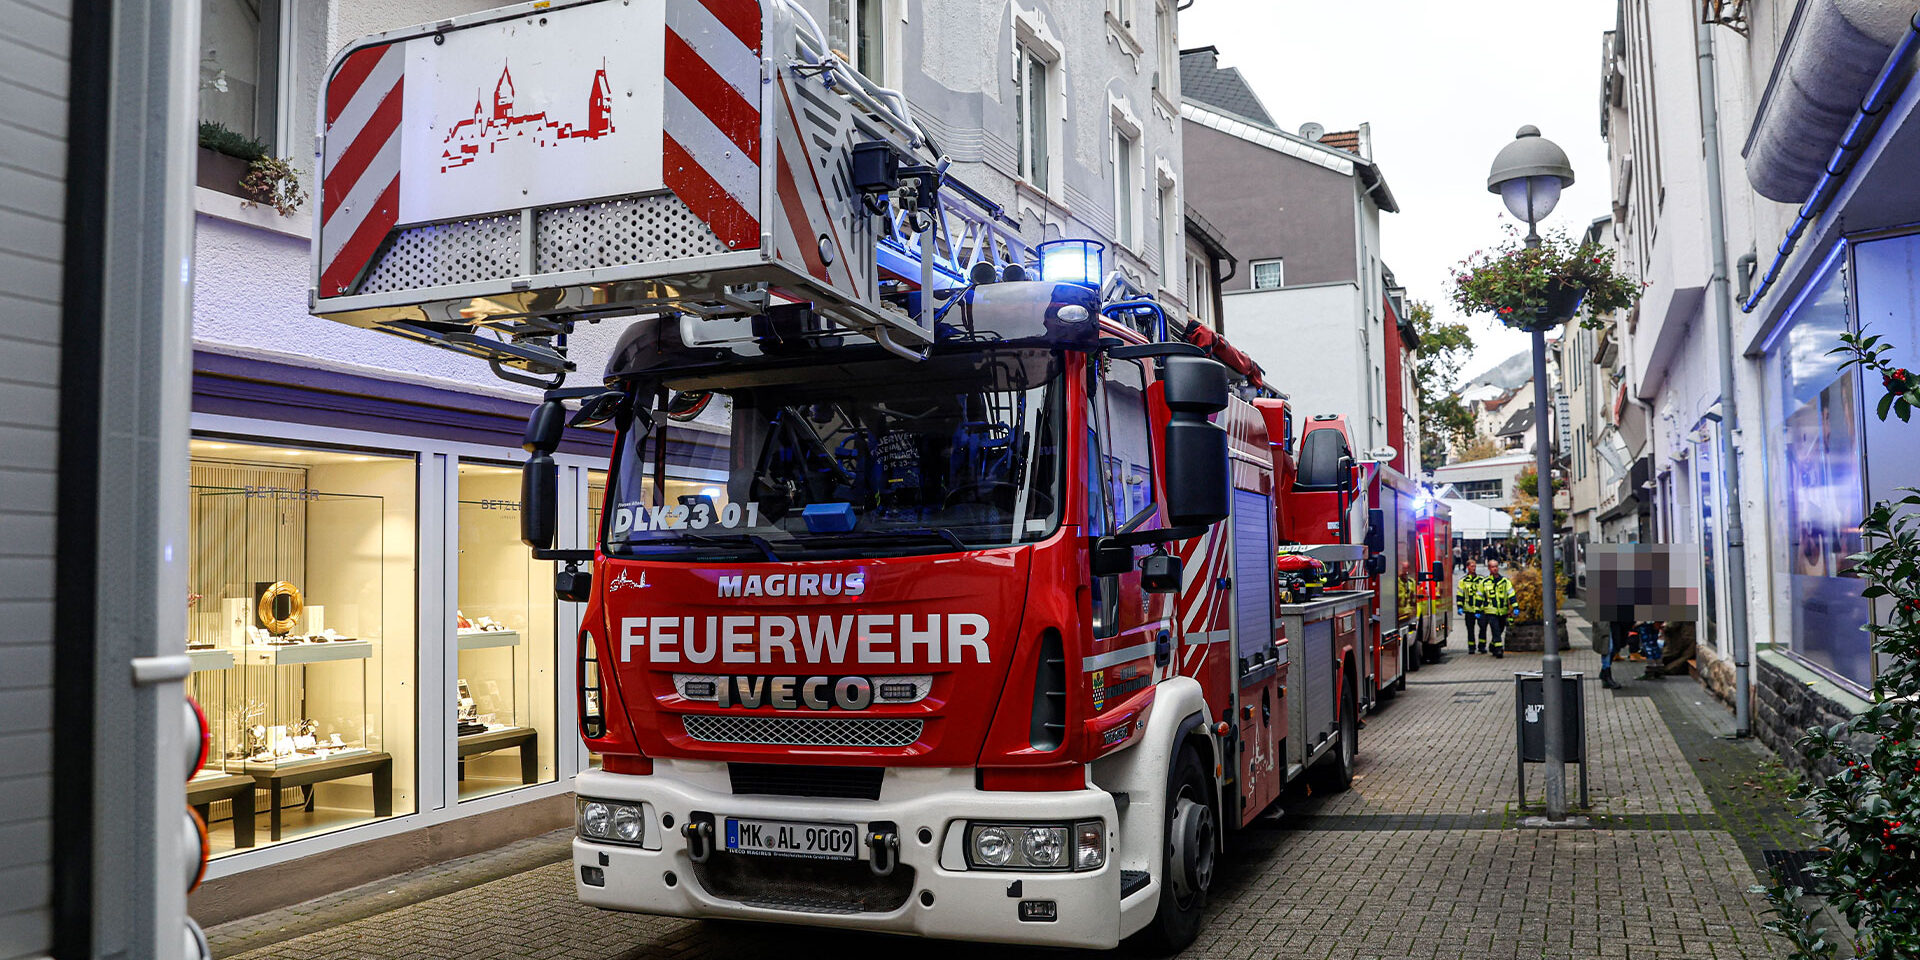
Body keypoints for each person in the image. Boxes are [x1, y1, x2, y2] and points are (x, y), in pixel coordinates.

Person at [1481, 559, 1517, 659]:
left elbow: (1511, 594)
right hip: (1491, 611)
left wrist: (1515, 607)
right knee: (1495, 629)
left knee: (1500, 629)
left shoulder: (1505, 582)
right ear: (1489, 568)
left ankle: (1493, 645)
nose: (1495, 568)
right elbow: (1479, 597)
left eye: (1496, 566)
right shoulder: (1484, 582)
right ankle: (1499, 650)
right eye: (1493, 567)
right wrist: (1477, 610)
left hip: (1503, 610)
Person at [1458, 561, 1484, 653]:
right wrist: (1459, 606)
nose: (1474, 568)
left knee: (1483, 627)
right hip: (1468, 609)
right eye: (1472, 566)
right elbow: (1460, 594)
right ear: (1467, 567)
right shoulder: (1463, 581)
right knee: (1470, 629)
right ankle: (1471, 647)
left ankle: (1482, 646)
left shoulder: (1481, 579)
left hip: (1480, 609)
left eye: (1475, 566)